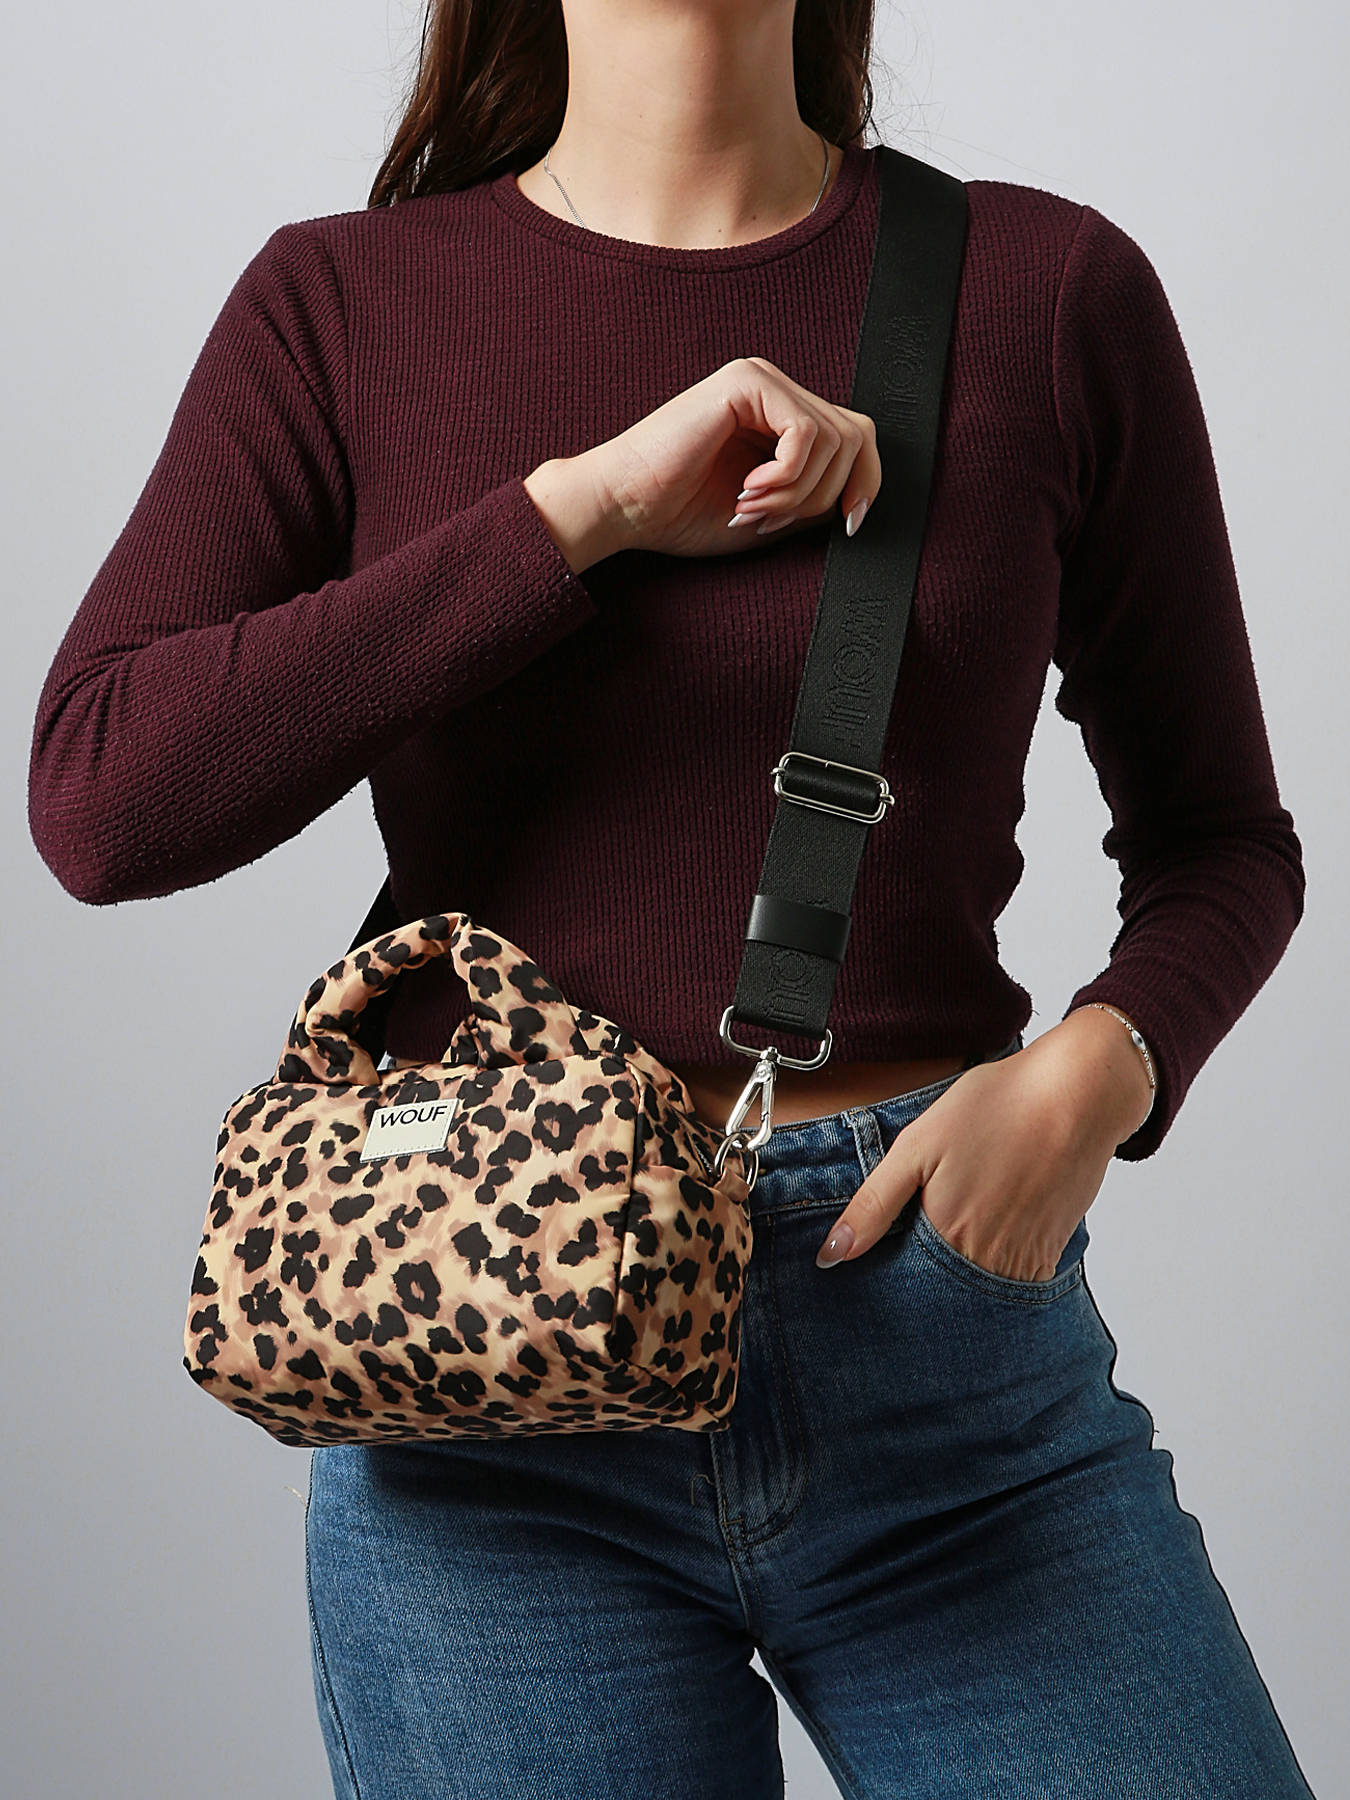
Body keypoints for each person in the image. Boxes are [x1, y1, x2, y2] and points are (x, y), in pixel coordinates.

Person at [27, 2, 1317, 1796]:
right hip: (486, 1378)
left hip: (935, 1336)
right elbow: (101, 802)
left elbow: (1221, 840)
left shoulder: (1043, 289)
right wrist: (581, 515)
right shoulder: (340, 304)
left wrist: (1095, 1077)